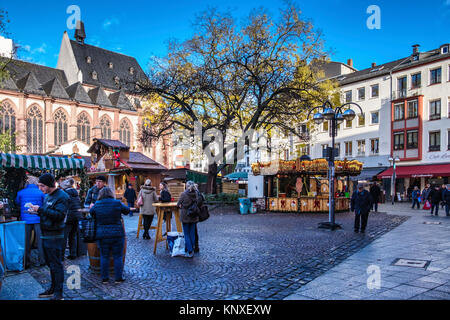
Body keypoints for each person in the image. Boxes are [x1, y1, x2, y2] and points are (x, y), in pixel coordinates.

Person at [29, 173, 69, 300]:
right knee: (50, 264)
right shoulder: (47, 196)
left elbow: (59, 215)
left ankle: (59, 293)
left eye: (42, 186)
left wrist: (40, 210)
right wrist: (36, 211)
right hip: (46, 234)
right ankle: (53, 288)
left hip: (55, 236)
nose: (40, 189)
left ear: (49, 184)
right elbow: (49, 213)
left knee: (56, 264)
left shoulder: (62, 196)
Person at [90, 187, 130, 284]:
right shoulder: (116, 203)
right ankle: (118, 278)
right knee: (118, 256)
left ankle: (105, 279)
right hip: (117, 234)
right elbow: (127, 210)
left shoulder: (97, 204)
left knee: (104, 256)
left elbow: (91, 214)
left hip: (102, 235)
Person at [16, 176, 46, 268]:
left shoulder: (21, 192)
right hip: (38, 218)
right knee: (40, 241)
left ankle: (26, 262)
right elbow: (45, 203)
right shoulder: (41, 192)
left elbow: (17, 202)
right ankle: (42, 260)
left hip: (25, 219)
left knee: (26, 241)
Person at [177, 181, 203, 257]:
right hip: (194, 216)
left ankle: (190, 250)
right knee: (192, 234)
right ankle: (192, 248)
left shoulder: (183, 194)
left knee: (186, 234)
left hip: (185, 216)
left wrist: (182, 206)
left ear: (187, 186)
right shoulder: (196, 194)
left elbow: (178, 204)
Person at [60, 178, 82, 260]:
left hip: (68, 217)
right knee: (73, 235)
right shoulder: (75, 193)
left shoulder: (65, 194)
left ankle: (61, 255)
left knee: (64, 236)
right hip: (77, 216)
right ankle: (73, 254)